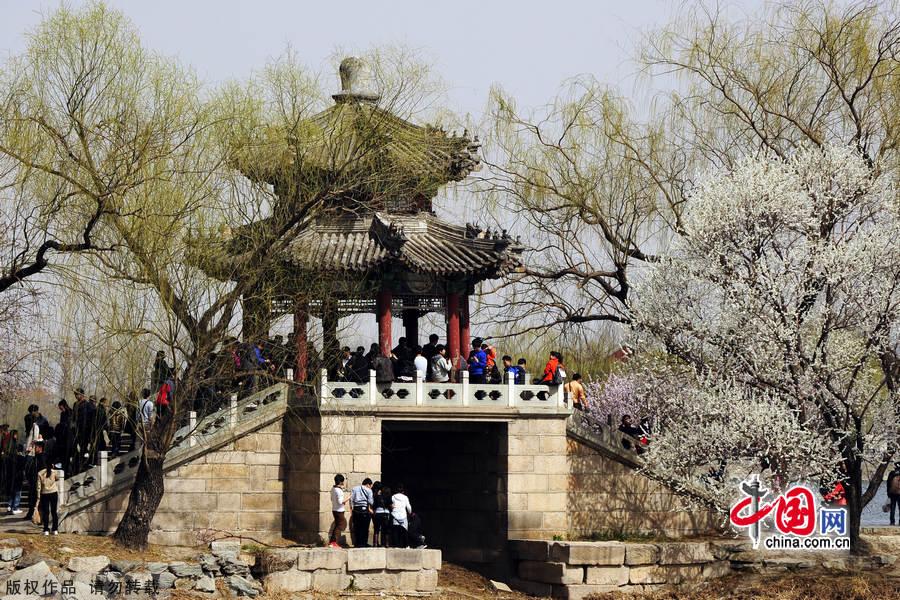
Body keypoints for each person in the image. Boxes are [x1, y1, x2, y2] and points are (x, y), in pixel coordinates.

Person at [349, 477, 375, 547]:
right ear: (368, 484)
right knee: (365, 528)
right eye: (370, 486)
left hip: (356, 509)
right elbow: (371, 502)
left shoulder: (354, 488)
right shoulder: (369, 490)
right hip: (365, 510)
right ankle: (363, 543)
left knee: (357, 527)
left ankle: (357, 543)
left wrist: (351, 508)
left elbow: (351, 499)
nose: (370, 487)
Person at [23, 440, 45, 521]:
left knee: (37, 499)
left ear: (40, 448)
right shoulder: (36, 457)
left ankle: (38, 517)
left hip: (38, 482)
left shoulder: (42, 457)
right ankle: (30, 514)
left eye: (36, 447)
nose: (34, 448)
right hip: (33, 481)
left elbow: (43, 471)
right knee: (31, 498)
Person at [37, 460, 59, 535]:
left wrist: (38, 497)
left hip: (44, 493)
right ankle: (55, 529)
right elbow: (57, 478)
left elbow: (38, 487)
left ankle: (46, 529)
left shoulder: (40, 473)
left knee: (46, 512)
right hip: (53, 492)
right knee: (54, 512)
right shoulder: (54, 472)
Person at [329, 474, 350, 548]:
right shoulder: (338, 490)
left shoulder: (333, 489)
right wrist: (349, 497)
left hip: (335, 509)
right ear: (341, 482)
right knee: (341, 525)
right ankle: (334, 542)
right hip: (339, 510)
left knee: (337, 525)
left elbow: (332, 499)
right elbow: (341, 501)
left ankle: (332, 542)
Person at [390, 483, 413, 548]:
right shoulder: (405, 497)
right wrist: (410, 513)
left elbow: (391, 506)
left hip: (395, 514)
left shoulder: (393, 497)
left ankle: (396, 545)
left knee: (395, 531)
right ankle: (406, 545)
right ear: (403, 491)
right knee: (405, 530)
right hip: (403, 515)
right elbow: (408, 507)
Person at [6, 444, 24, 515]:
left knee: (12, 492)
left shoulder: (10, 458)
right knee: (17, 492)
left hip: (11, 477)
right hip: (18, 477)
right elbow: (23, 467)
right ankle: (15, 507)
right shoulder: (21, 458)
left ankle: (9, 506)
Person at [372, 482, 391, 547]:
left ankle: (375, 543)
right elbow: (390, 505)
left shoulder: (377, 496)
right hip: (386, 513)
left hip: (378, 513)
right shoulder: (388, 497)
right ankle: (387, 544)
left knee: (376, 529)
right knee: (386, 529)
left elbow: (374, 505)